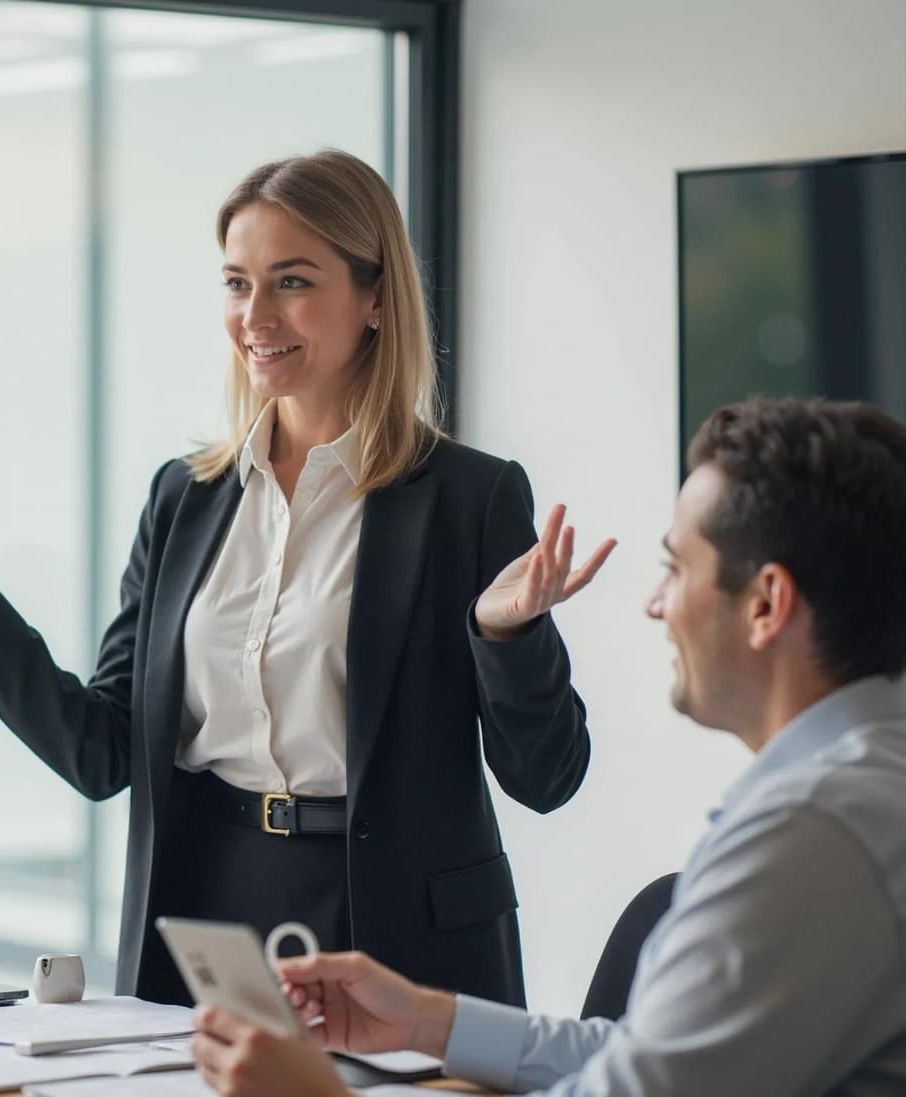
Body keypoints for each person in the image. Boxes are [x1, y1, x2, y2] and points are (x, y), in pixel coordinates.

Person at [0, 148, 612, 1005]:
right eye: (236, 282)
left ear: (375, 297)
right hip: (209, 912)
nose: (255, 314)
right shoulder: (185, 497)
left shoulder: (469, 496)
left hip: (402, 933)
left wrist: (506, 634)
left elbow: (547, 777)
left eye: (291, 281)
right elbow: (103, 749)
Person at [190, 396, 906, 1097]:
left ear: (765, 604)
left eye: (676, 568)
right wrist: (427, 1018)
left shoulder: (811, 833)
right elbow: (646, 1056)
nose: (655, 603)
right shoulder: (865, 784)